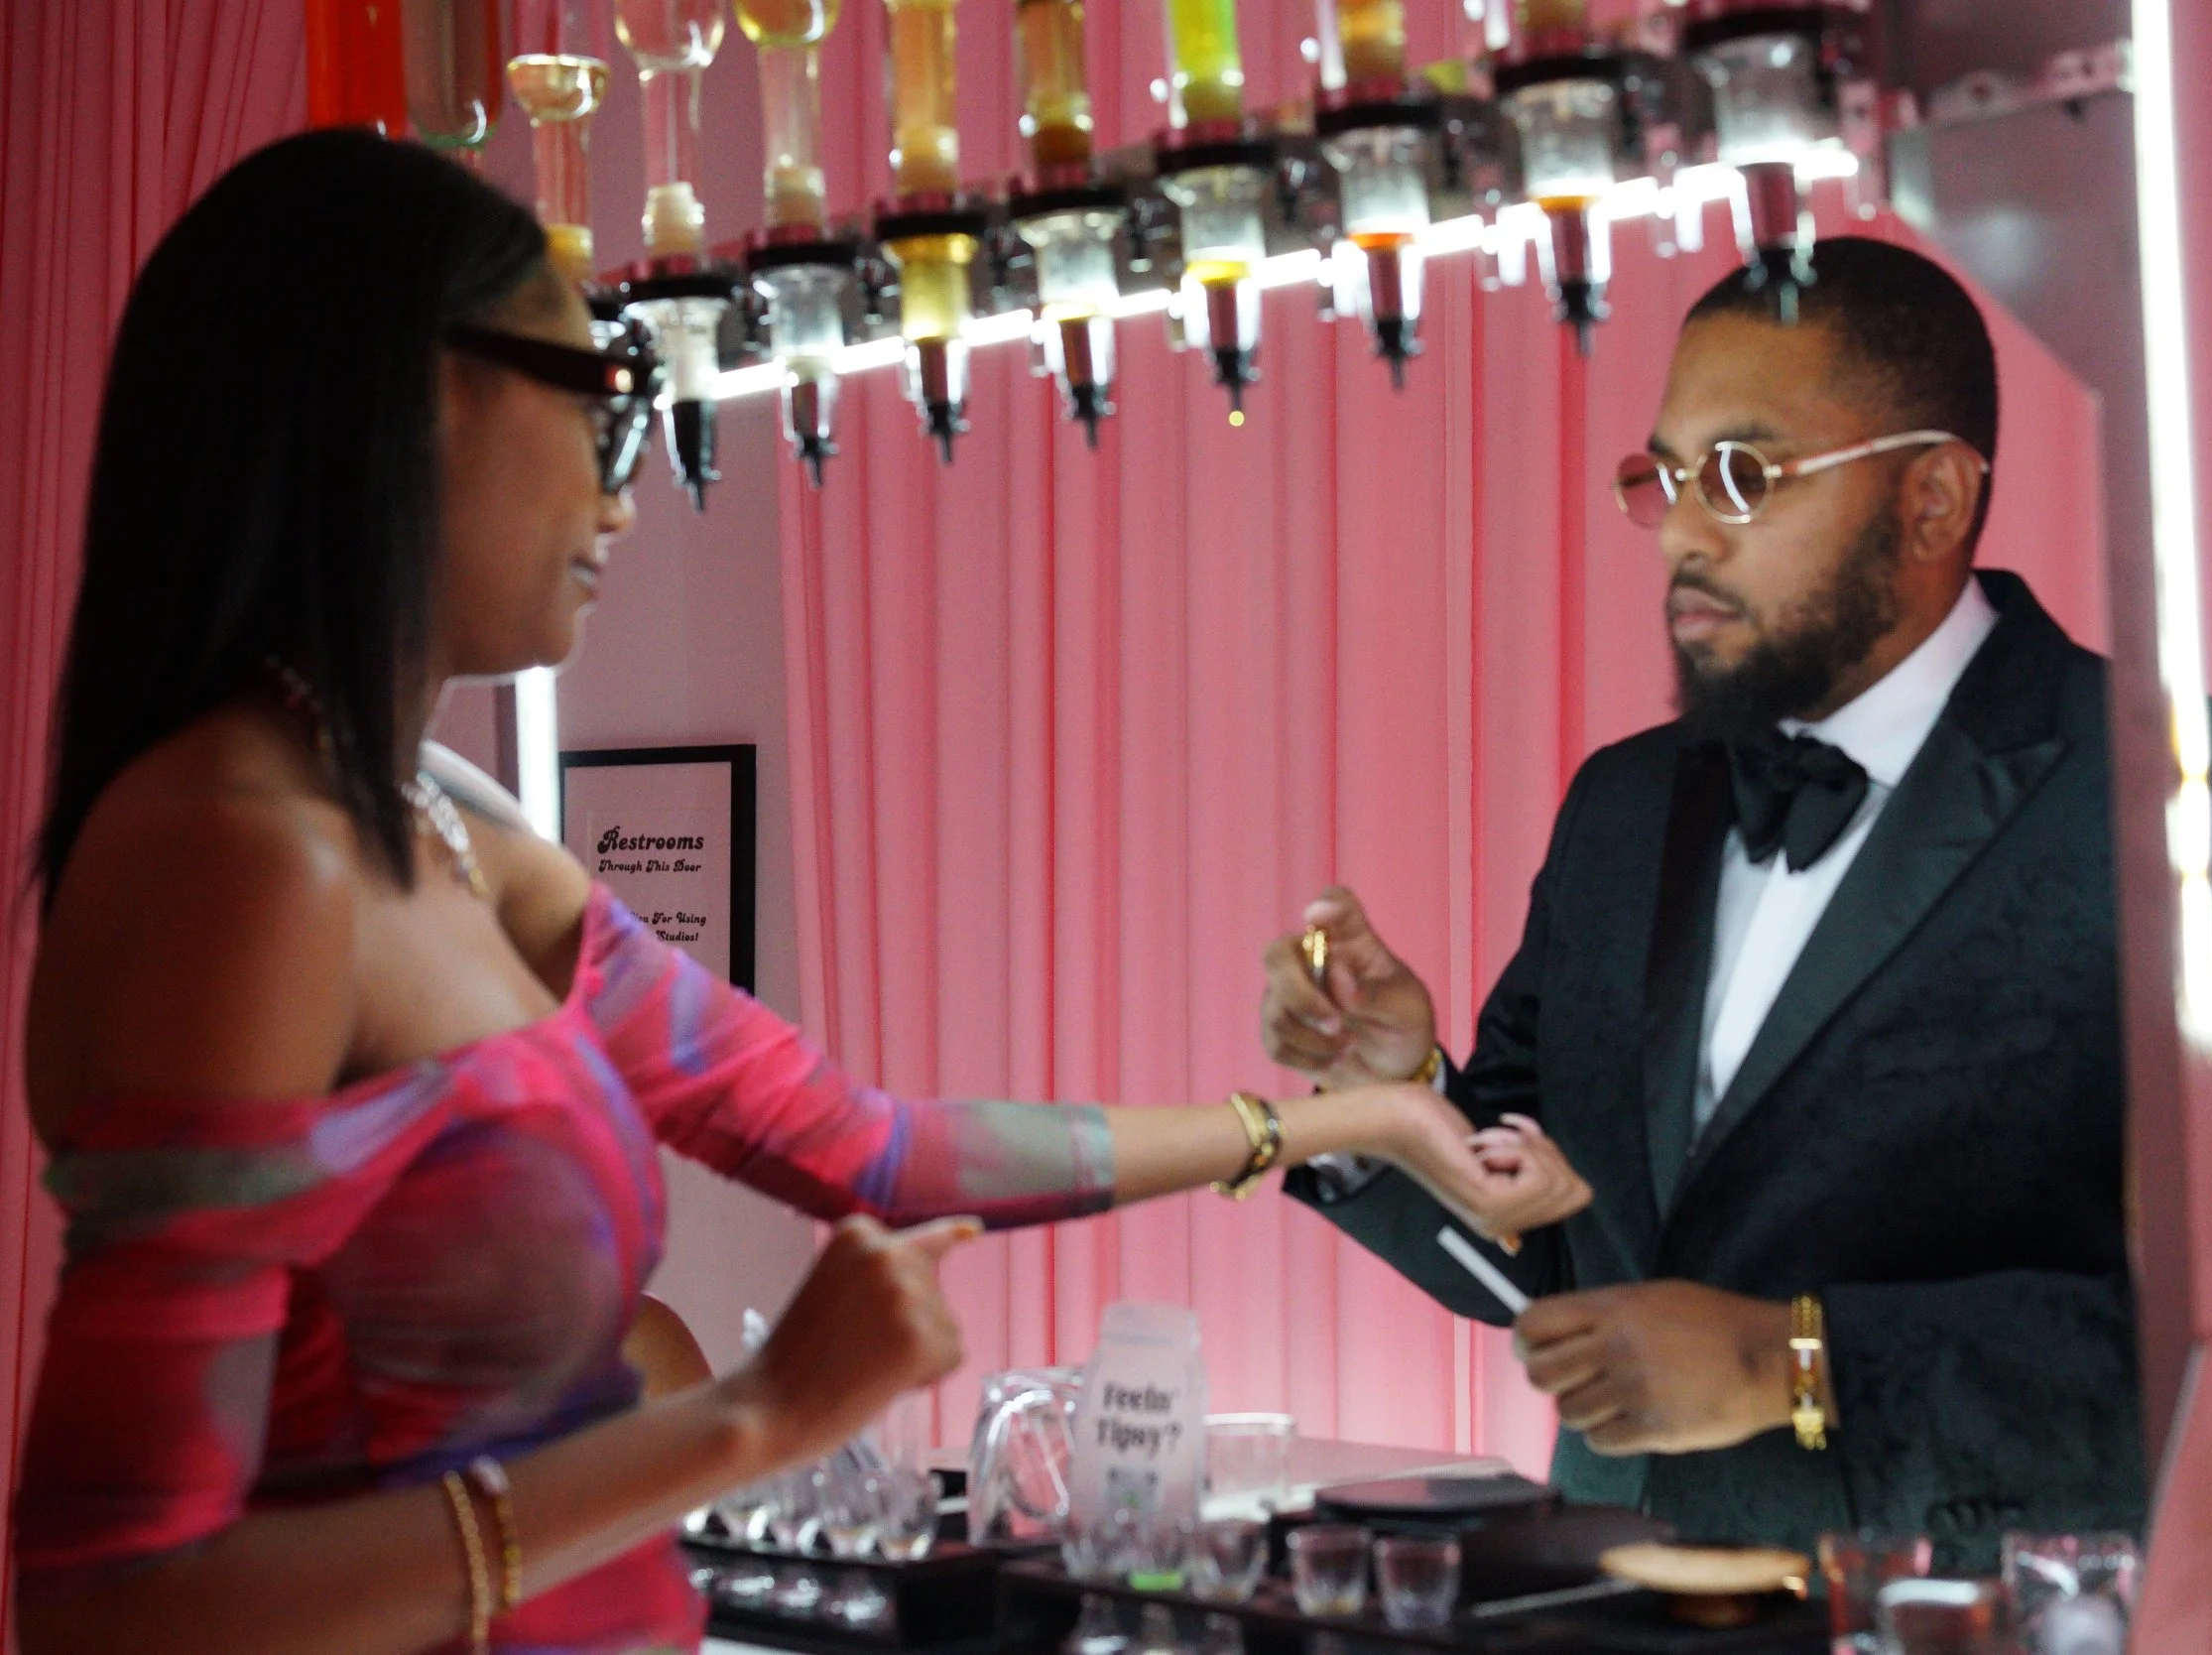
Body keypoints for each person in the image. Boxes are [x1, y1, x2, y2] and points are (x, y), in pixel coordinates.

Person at [11, 131, 1584, 1655]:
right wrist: (749, 1423)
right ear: (430, 398)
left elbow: (869, 1149)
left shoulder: (450, 827)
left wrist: (1350, 1123)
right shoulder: (240, 856)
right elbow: (117, 1605)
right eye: (605, 407)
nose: (625, 494)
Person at [1260, 236, 2212, 1561]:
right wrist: (1389, 1099)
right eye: (1664, 478)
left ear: (1930, 498)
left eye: (1744, 477)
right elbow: (1547, 1271)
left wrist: (1799, 1366)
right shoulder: (1624, 807)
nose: (1687, 532)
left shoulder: (2200, 804)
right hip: (1618, 1611)